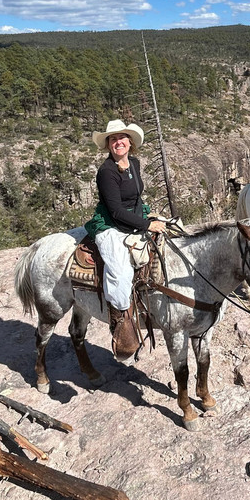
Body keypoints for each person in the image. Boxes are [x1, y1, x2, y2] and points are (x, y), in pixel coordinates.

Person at [84, 119, 166, 360]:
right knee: (119, 273)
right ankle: (121, 324)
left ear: (130, 142)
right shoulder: (106, 172)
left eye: (122, 138)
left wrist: (147, 212)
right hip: (110, 223)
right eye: (112, 139)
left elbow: (136, 197)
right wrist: (146, 224)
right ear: (108, 145)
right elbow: (117, 211)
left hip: (134, 216)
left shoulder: (135, 163)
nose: (118, 142)